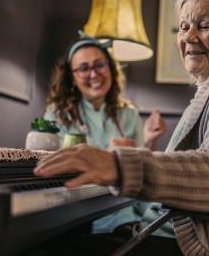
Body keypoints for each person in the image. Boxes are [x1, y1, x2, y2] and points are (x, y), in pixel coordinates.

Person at [35, 0, 209, 256]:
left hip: (202, 244)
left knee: (52, 250)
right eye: (183, 26)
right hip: (185, 233)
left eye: (205, 25)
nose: (190, 37)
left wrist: (118, 164)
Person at [43, 38, 167, 233]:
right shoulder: (57, 115)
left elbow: (143, 174)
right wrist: (111, 161)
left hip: (126, 217)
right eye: (83, 68)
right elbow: (53, 171)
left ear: (110, 68)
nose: (94, 74)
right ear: (71, 76)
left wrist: (150, 141)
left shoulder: (129, 114)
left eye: (100, 65)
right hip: (77, 220)